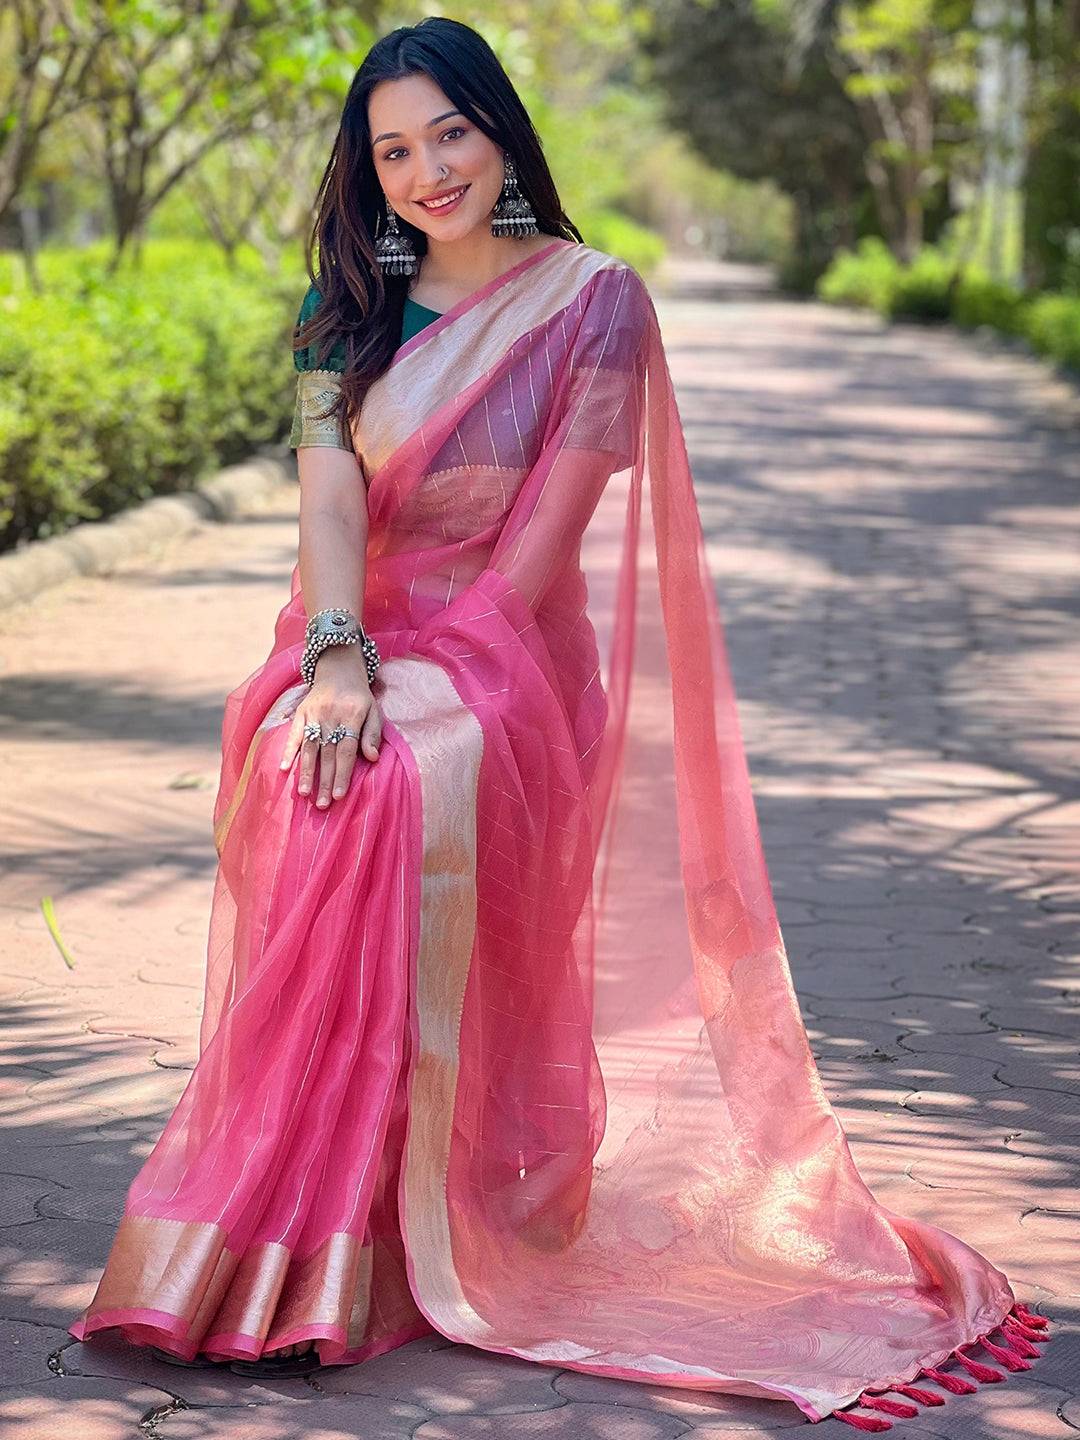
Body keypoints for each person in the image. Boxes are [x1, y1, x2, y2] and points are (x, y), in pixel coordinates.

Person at [67, 16, 1051, 1429]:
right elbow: (330, 497)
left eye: (448, 135)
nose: (425, 173)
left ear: (501, 128)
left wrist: (426, 681)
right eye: (391, 151)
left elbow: (544, 543)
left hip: (507, 657)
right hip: (363, 629)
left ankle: (421, 1226)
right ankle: (284, 1225)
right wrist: (338, 657)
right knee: (304, 756)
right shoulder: (335, 307)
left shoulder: (595, 301)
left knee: (399, 781)